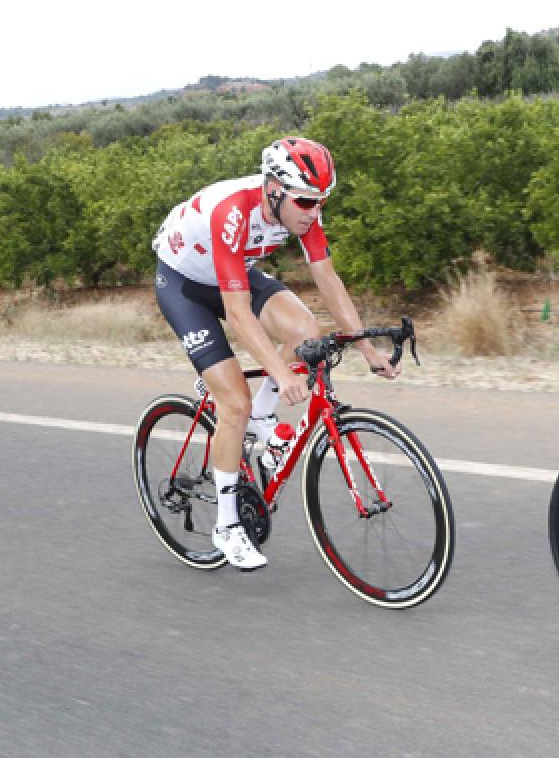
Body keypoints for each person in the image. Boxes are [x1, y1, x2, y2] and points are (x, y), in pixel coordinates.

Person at [152, 137, 396, 571]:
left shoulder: (301, 210)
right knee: (234, 403)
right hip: (185, 285)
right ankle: (227, 527)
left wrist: (364, 347)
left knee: (305, 329)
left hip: (230, 273)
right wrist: (282, 374)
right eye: (305, 202)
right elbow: (237, 313)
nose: (314, 212)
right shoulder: (233, 211)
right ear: (274, 189)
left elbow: (329, 280)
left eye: (321, 202)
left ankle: (262, 420)